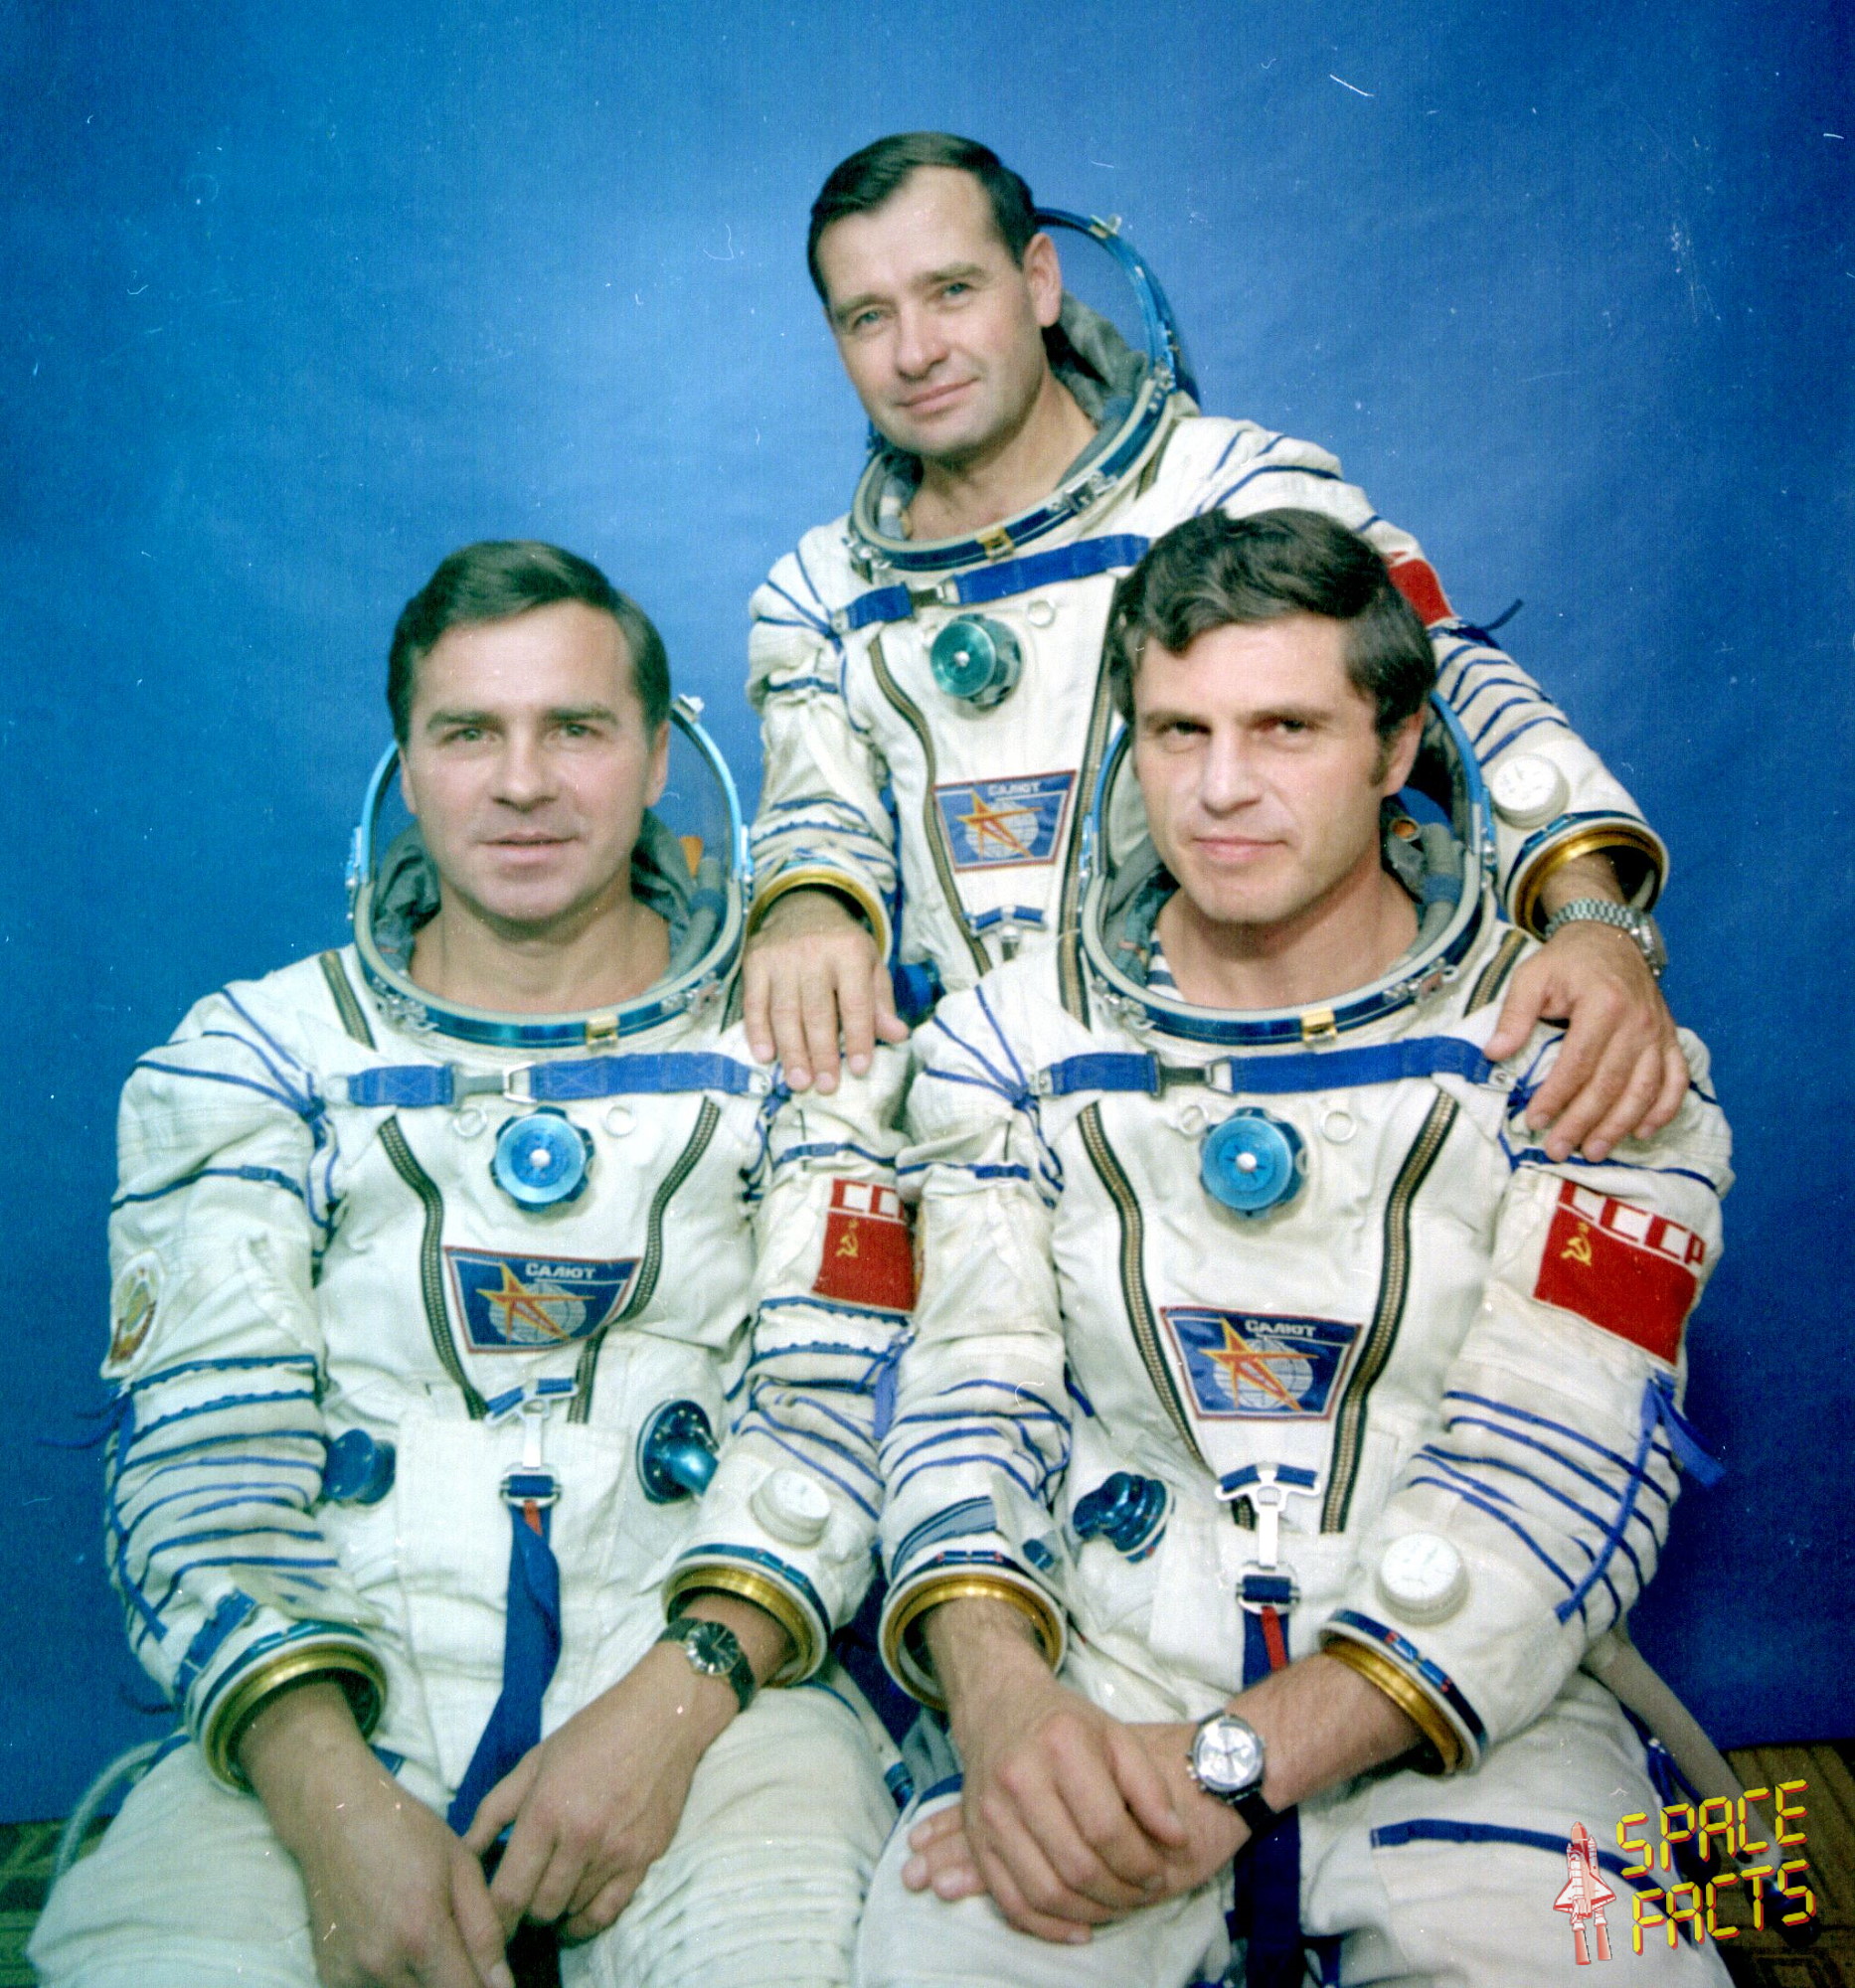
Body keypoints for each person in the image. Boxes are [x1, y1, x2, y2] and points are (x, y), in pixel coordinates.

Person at [856, 510, 1734, 1986]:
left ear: (1398, 748)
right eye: (1177, 730)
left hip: (1472, 1719)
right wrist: (1002, 1703)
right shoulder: (1009, 1046)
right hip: (1096, 1694)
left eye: (1285, 728)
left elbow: (1555, 1474)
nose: (1220, 788)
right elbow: (965, 1392)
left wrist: (1232, 1763)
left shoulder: (1573, 1054)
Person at [32, 543, 905, 1988]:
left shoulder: (798, 1055)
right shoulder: (255, 1057)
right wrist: (329, 1802)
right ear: (407, 764)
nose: (521, 783)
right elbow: (205, 1467)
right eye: (468, 734)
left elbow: (832, 1419)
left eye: (575, 728)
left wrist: (671, 1711)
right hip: (338, 1700)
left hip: (703, 1687)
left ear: (657, 757)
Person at [741, 132, 1683, 1176]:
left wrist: (1592, 918)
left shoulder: (1233, 492)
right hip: (971, 1123)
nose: (915, 352)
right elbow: (817, 817)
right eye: (868, 317)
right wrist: (808, 906)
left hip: (1215, 1101)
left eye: (952, 291)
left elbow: (1451, 692)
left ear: (1040, 282)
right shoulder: (823, 595)